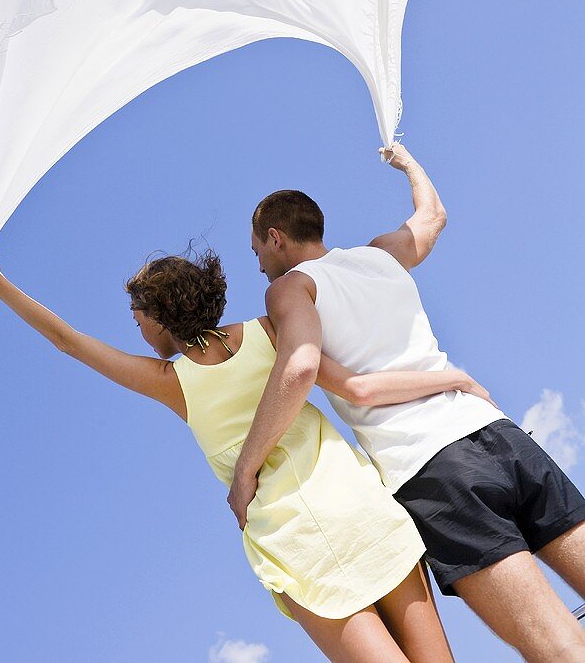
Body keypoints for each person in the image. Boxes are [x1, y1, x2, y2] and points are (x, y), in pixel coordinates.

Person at [0, 244, 480, 661]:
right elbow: (358, 387)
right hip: (360, 509)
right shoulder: (271, 332)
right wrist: (449, 378)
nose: (137, 328)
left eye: (138, 315)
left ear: (161, 316)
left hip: (296, 542)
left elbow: (68, 341)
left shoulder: (171, 381)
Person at [235, 143, 585, 662]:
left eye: (257, 250)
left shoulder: (291, 288)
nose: (259, 263)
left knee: (560, 649)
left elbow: (303, 365)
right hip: (496, 434)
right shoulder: (380, 256)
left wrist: (246, 471)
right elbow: (433, 216)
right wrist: (407, 163)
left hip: (430, 468)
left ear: (276, 237)